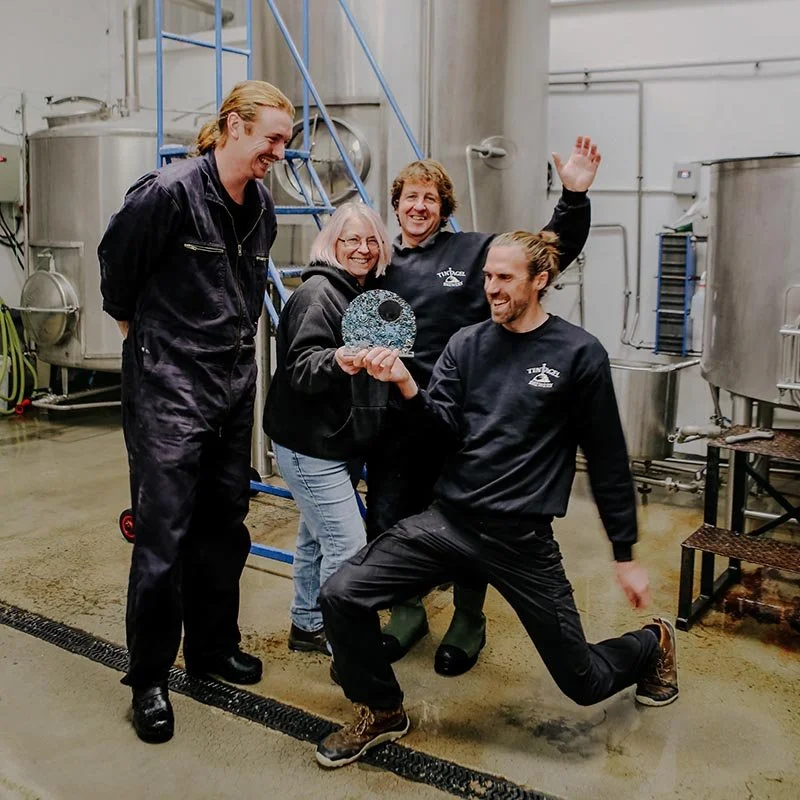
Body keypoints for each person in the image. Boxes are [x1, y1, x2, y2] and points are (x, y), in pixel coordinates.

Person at [314, 229, 679, 768]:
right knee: (342, 593)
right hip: (449, 522)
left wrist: (624, 553)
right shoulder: (467, 344)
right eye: (487, 276)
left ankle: (653, 643)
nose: (491, 288)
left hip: (521, 541)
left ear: (541, 280)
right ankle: (382, 709)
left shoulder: (578, 353)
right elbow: (438, 433)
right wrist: (407, 387)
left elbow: (606, 458)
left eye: (504, 277)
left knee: (584, 682)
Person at [98, 80, 294, 744]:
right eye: (271, 137)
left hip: (231, 386)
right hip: (169, 387)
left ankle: (211, 650)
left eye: (285, 141)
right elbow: (115, 267)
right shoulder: (169, 193)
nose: (278, 151)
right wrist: (140, 336)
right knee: (163, 538)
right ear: (234, 127)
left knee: (223, 526)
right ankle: (149, 679)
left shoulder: (261, 205)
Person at [366, 136, 601, 677]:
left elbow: (551, 248)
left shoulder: (475, 253)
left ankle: (468, 618)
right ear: (396, 204)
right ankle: (407, 611)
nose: (419, 206)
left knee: (471, 524)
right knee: (388, 515)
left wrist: (574, 197)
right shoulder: (378, 261)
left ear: (444, 207)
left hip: (462, 418)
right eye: (409, 197)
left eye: (430, 198)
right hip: (399, 418)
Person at [263, 202, 392, 656]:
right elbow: (300, 367)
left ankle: (307, 623)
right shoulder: (318, 293)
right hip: (309, 442)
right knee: (347, 543)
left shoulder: (361, 293)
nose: (363, 249)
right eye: (352, 240)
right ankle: (349, 652)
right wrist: (340, 359)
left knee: (315, 536)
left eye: (372, 240)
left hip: (335, 440)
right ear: (332, 244)